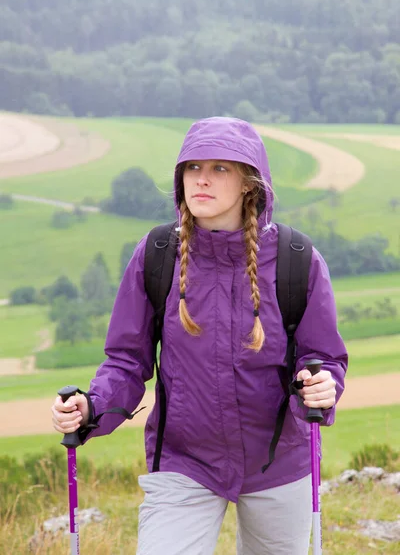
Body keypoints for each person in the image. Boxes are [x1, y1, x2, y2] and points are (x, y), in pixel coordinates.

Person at [52, 117, 348, 555]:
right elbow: (127, 361)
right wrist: (92, 405)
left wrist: (323, 386)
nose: (202, 179)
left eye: (220, 168)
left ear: (250, 182)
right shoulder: (157, 255)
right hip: (183, 462)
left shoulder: (295, 259)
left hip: (279, 464)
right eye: (192, 168)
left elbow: (322, 356)